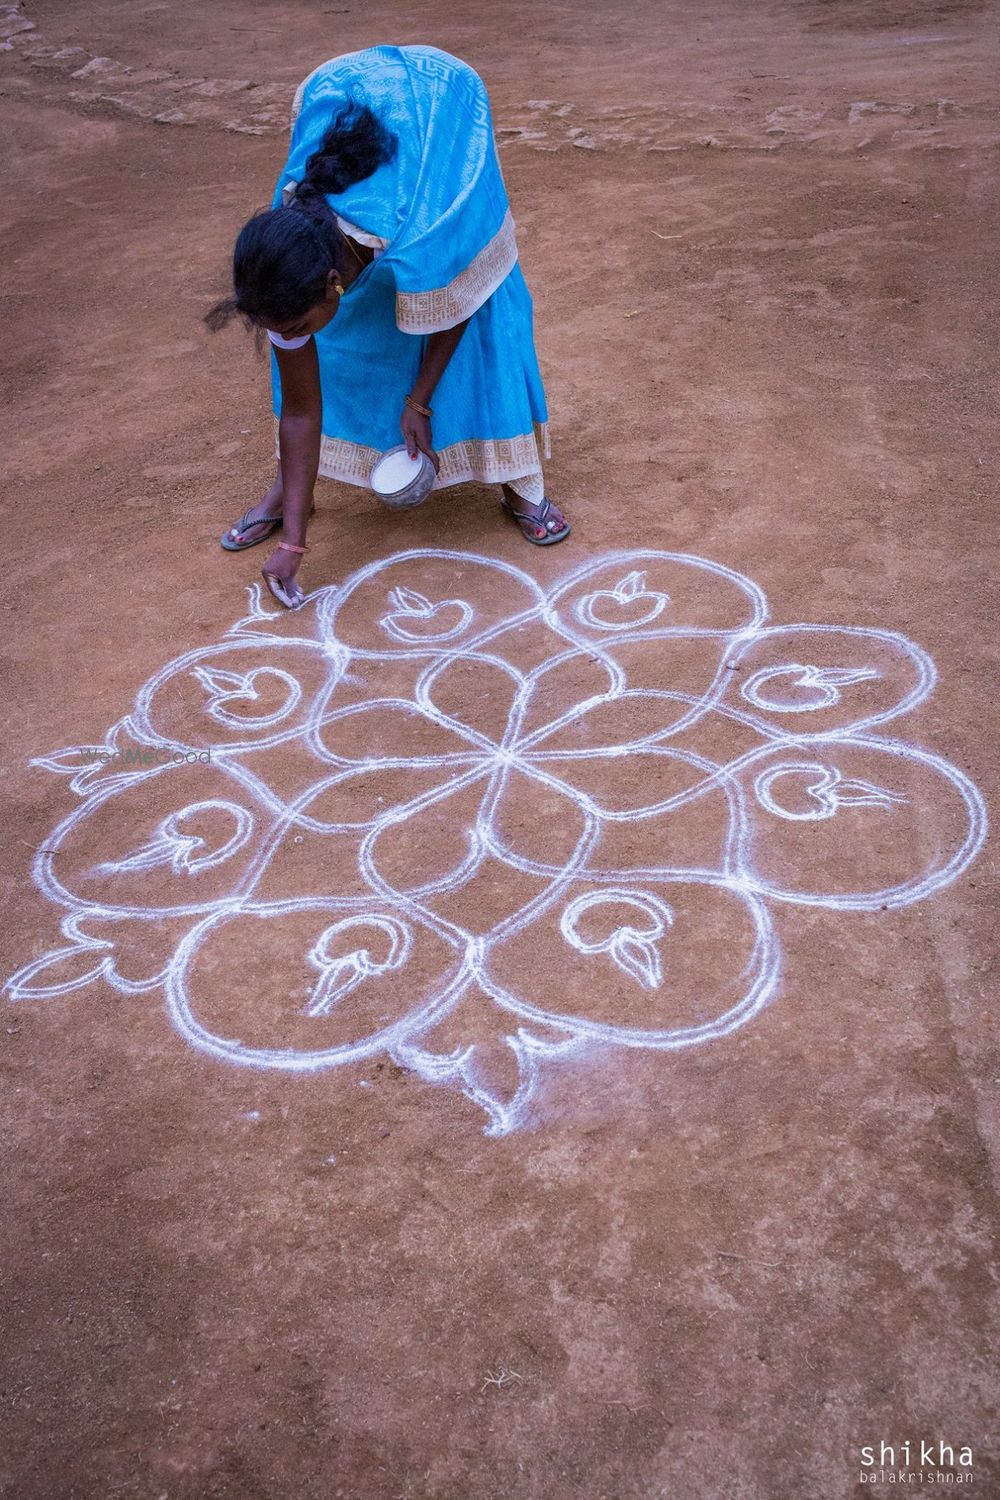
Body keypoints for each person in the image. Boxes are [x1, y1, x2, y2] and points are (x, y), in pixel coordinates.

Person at [206, 43, 570, 609]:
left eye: (297, 324)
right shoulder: (284, 272)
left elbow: (457, 298)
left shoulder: (422, 224)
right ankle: (290, 494)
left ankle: (516, 480)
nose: (291, 334)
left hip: (440, 113)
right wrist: (296, 546)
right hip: (345, 100)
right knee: (345, 343)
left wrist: (419, 401)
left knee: (483, 313)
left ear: (332, 283)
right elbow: (301, 408)